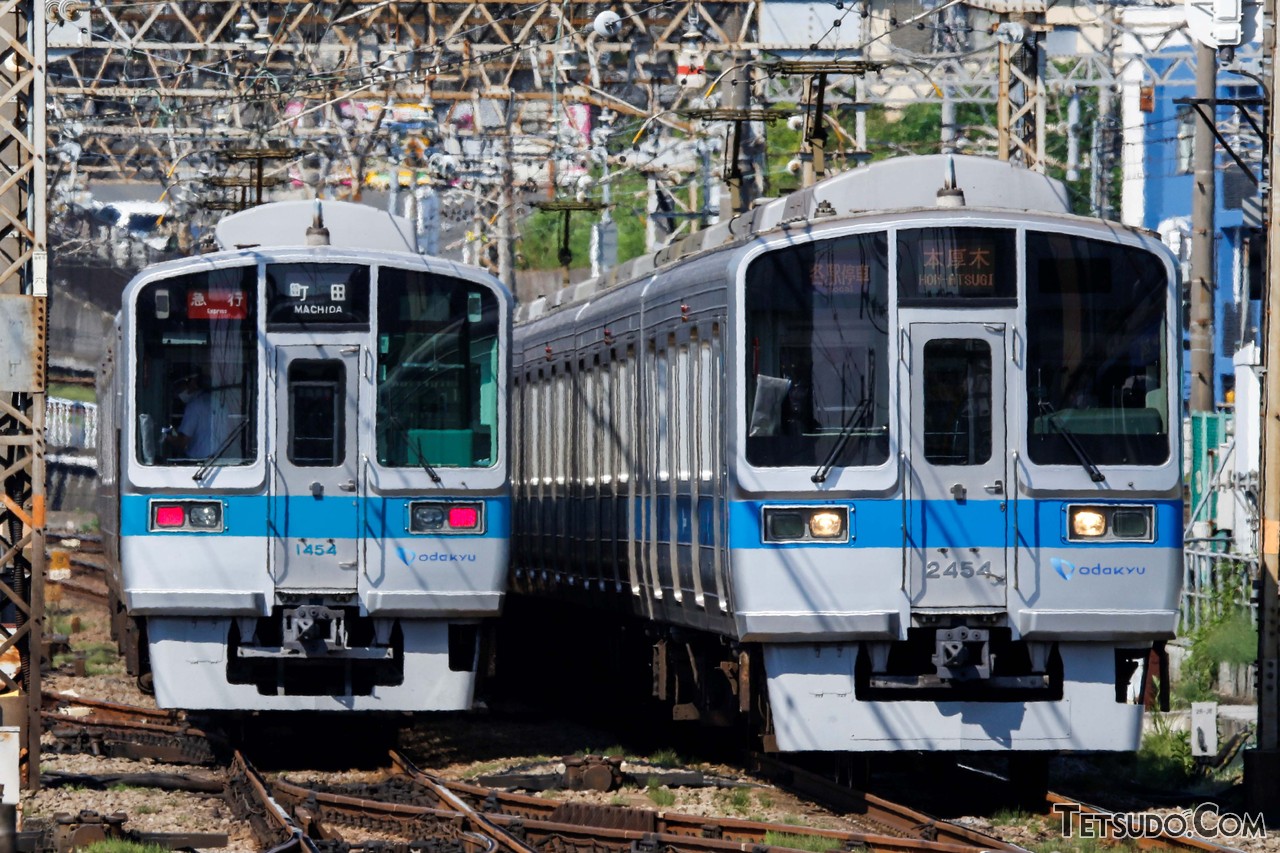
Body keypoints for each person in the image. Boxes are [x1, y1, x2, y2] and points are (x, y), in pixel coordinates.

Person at [164, 372, 216, 459]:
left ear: (194, 384)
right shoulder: (219, 403)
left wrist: (166, 434)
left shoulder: (195, 405)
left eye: (184, 385)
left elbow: (182, 441)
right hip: (220, 458)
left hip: (199, 461)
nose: (181, 390)